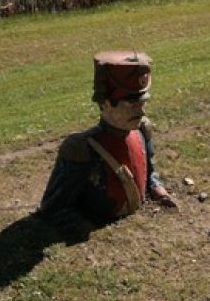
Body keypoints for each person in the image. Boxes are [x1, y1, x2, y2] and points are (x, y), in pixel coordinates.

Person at [37, 51, 176, 226]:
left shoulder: (142, 129)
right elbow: (55, 204)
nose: (141, 112)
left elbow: (150, 169)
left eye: (142, 104)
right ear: (106, 105)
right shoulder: (81, 147)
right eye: (132, 105)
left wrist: (156, 187)